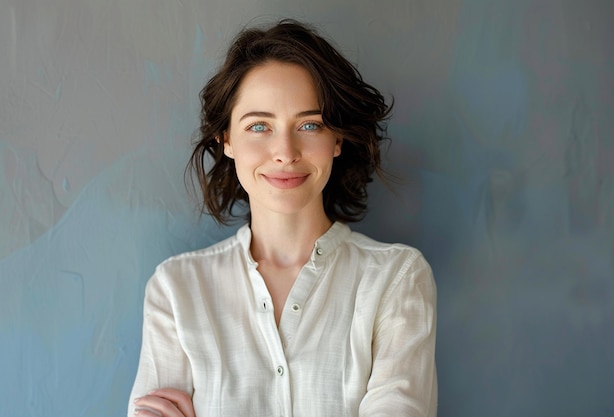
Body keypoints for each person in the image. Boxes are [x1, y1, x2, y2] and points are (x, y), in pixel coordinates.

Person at [129, 19, 437, 417]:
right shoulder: (176, 289)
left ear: (337, 139)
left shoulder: (396, 278)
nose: (285, 151)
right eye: (259, 126)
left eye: (310, 125)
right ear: (226, 140)